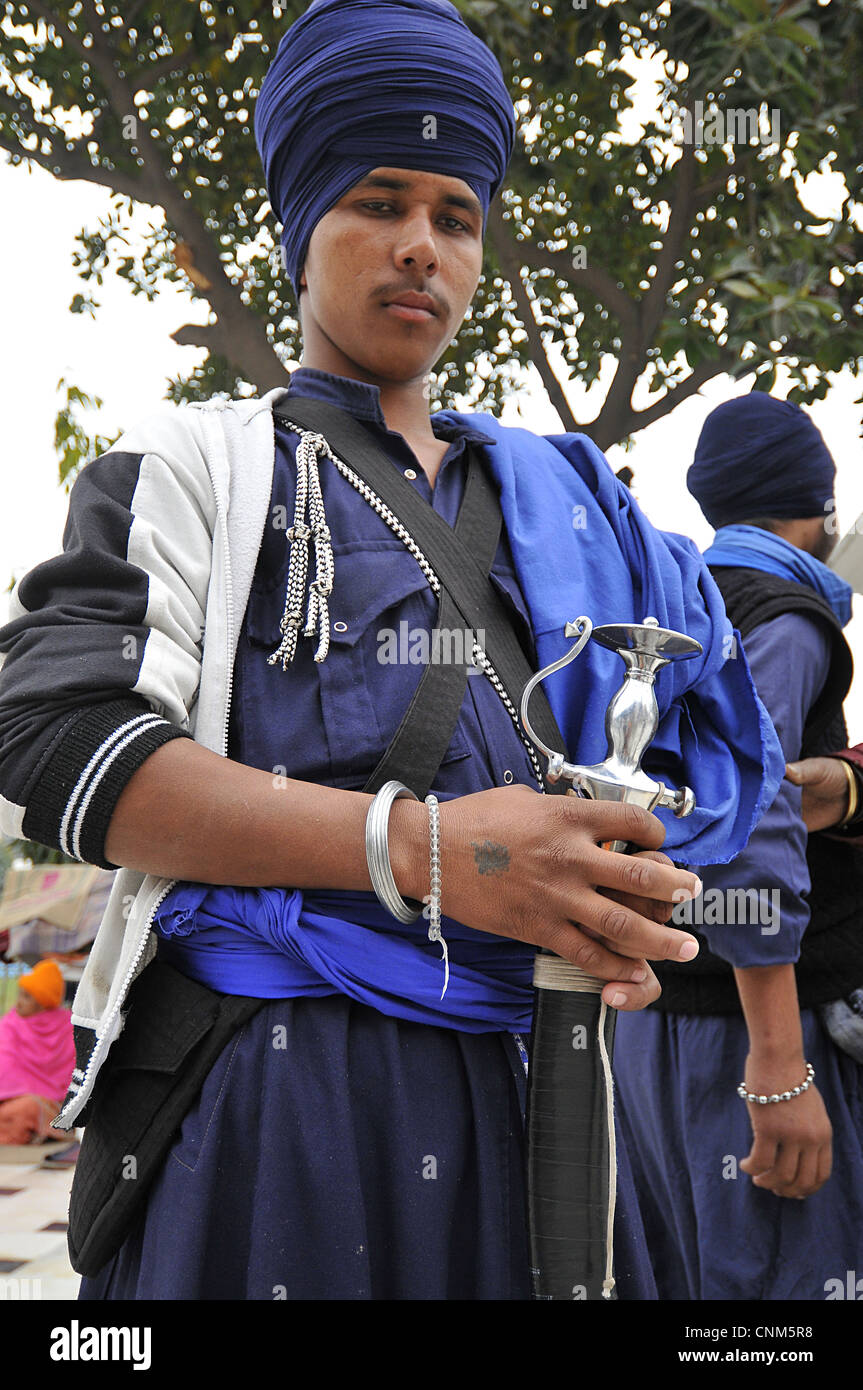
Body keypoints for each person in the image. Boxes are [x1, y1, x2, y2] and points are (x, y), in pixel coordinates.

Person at [0, 0, 780, 1300]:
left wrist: (630, 888)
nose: (419, 246)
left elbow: (713, 743)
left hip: (566, 1089)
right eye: (377, 200)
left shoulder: (581, 500)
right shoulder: (192, 469)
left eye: (454, 215)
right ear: (300, 224)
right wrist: (429, 851)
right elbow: (57, 742)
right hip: (286, 1110)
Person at [614, 393, 863, 1300]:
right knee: (780, 1295)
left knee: (695, 1279)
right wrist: (776, 1066)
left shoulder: (673, 596)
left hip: (660, 1016)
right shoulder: (786, 616)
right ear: (818, 504)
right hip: (755, 1023)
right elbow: (753, 823)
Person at [0, 961, 75, 1145]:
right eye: (20, 994)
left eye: (27, 997)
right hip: (6, 1097)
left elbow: (74, 1075)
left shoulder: (67, 1027)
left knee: (24, 1109)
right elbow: (6, 1066)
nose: (18, 1002)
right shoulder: (10, 1023)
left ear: (42, 1002)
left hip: (44, 1103)